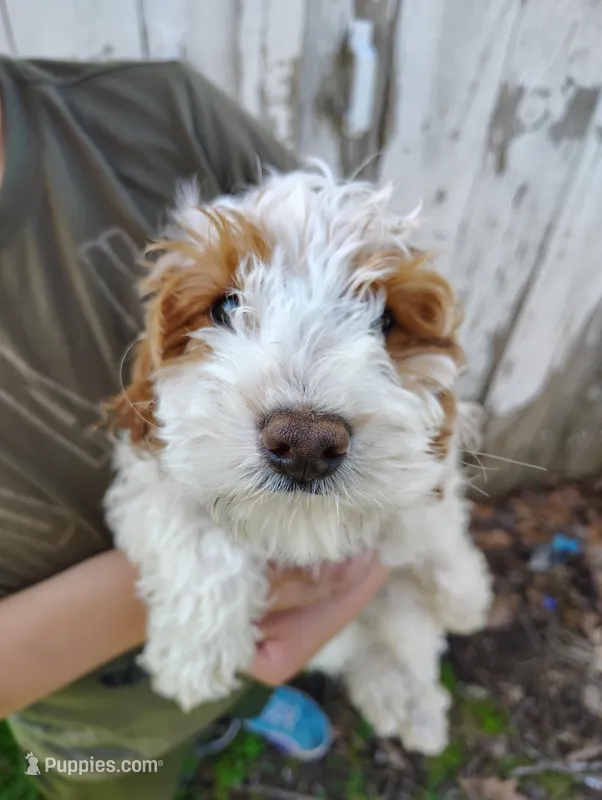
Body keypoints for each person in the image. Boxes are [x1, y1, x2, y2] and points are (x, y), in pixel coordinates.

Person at [0, 56, 390, 799]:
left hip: (284, 589)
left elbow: (362, 280)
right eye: (225, 310)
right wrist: (193, 585)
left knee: (241, 681)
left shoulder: (162, 112)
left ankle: (238, 709)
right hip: (87, 716)